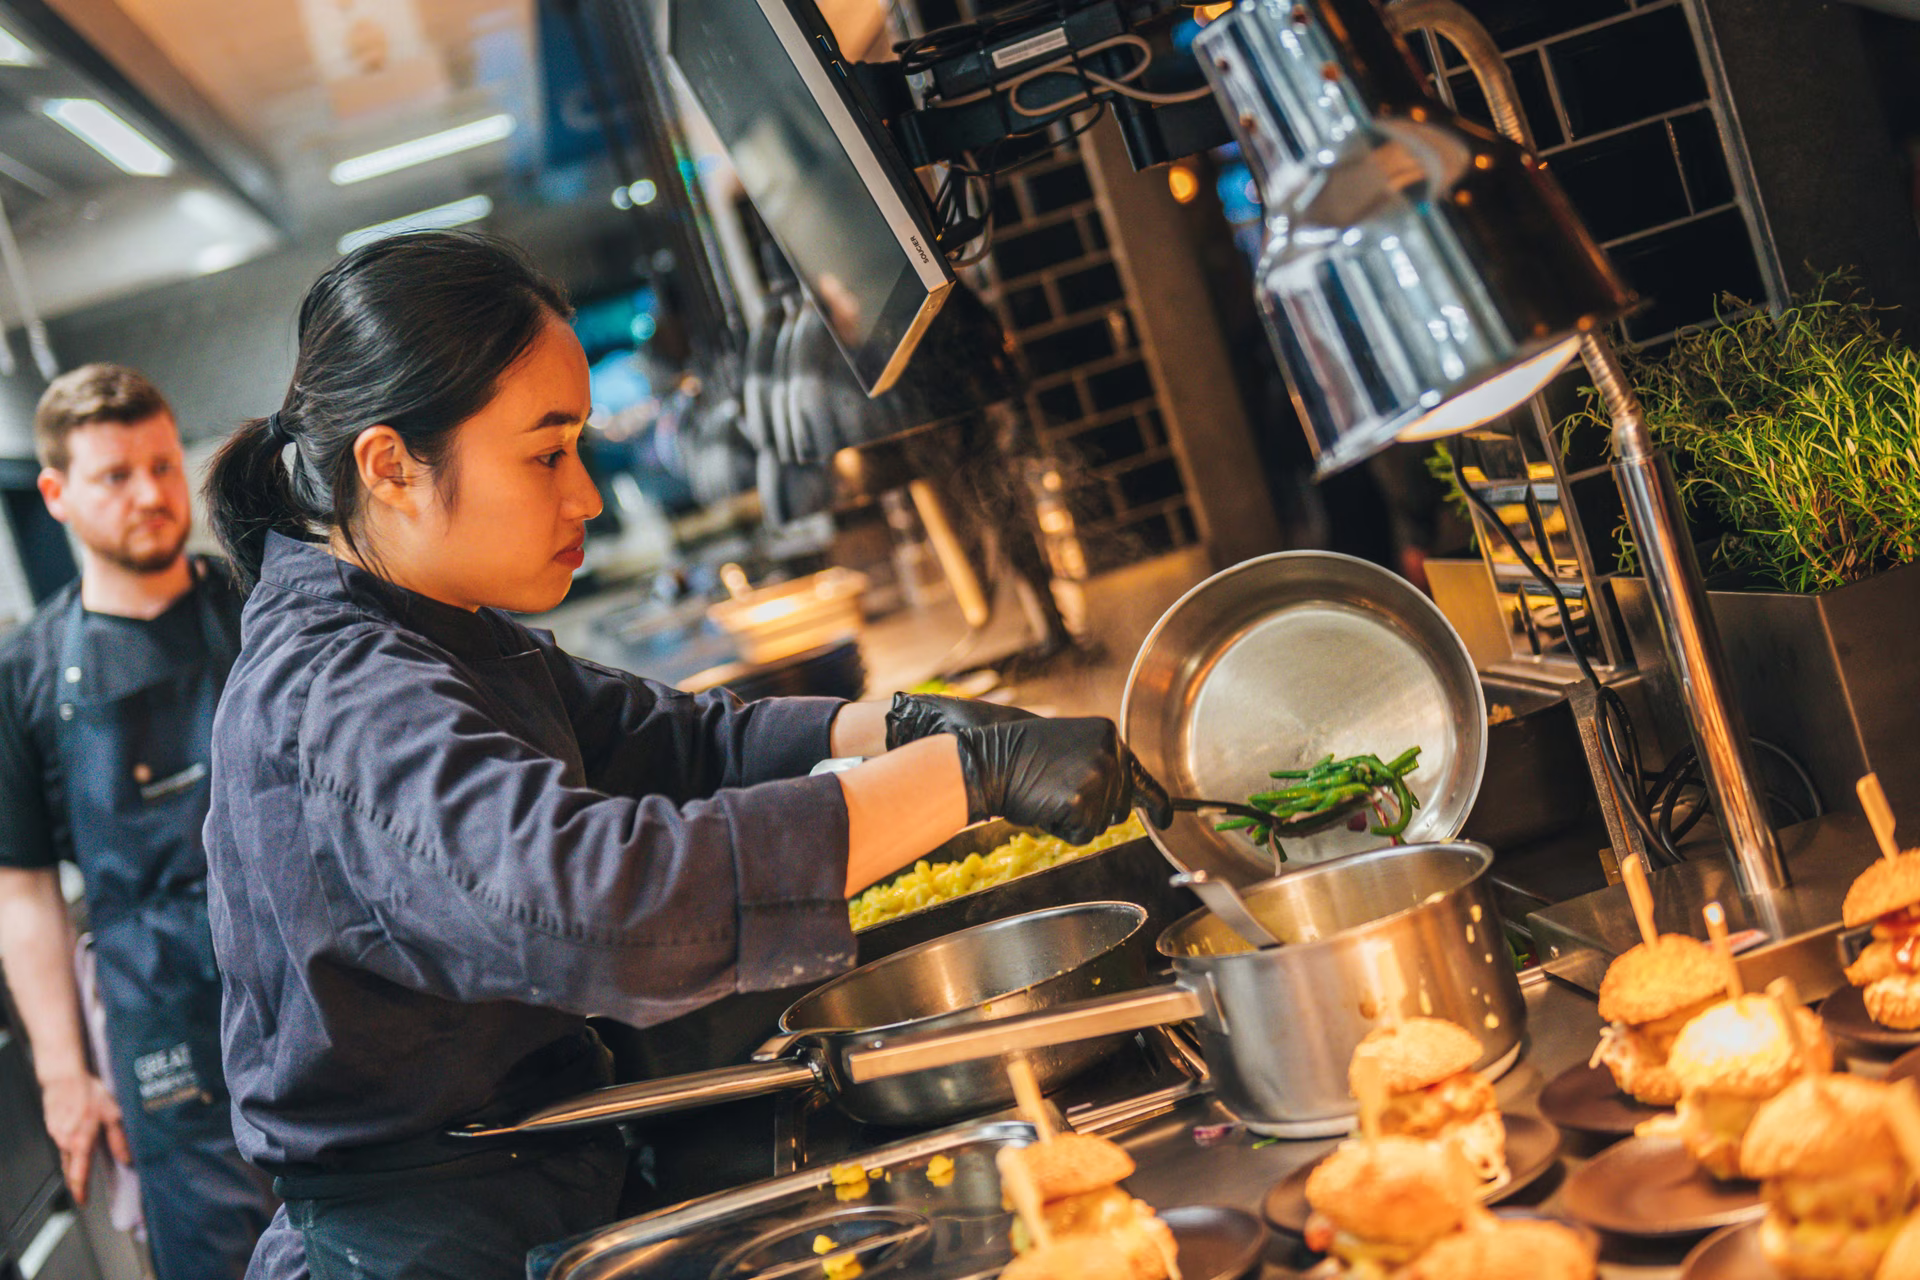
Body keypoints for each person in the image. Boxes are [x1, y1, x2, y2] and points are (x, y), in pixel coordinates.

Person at [198, 231, 1168, 1280]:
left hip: (542, 1174)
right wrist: (965, 778)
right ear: (389, 465)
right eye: (546, 452)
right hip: (428, 1243)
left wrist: (898, 723)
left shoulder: (433, 623)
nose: (589, 496)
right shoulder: (342, 693)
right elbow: (595, 897)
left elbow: (678, 740)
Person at [0, 364, 277, 1279]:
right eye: (116, 476)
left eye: (162, 465)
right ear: (57, 494)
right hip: (159, 1029)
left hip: (303, 984)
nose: (152, 494)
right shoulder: (27, 676)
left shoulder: (257, 606)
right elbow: (25, 891)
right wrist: (61, 1073)